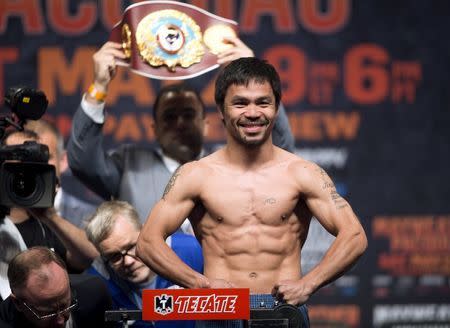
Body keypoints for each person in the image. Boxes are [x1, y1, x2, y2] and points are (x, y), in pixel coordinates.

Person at [135, 58, 368, 327]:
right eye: (241, 103)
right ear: (222, 111)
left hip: (281, 309)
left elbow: (355, 236)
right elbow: (147, 242)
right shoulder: (196, 175)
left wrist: (308, 284)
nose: (253, 112)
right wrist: (200, 284)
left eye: (263, 102)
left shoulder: (302, 173)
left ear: (276, 108)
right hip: (219, 309)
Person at [66, 38, 295, 225]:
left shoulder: (234, 163)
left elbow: (281, 152)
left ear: (206, 124)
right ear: (154, 129)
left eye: (188, 114)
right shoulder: (129, 165)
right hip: (147, 279)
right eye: (169, 117)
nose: (180, 123)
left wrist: (253, 80)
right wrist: (99, 86)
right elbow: (82, 162)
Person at [85, 200, 202, 328]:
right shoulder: (98, 285)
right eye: (114, 256)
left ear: (145, 231)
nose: (128, 261)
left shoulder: (190, 251)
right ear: (103, 258)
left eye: (132, 246)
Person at [1, 130, 98, 273]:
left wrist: (50, 216)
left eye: (29, 158)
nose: (22, 167)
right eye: (14, 155)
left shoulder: (46, 228)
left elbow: (88, 257)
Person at [0, 246, 111, 328]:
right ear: (18, 303)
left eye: (65, 306)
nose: (60, 321)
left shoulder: (94, 291)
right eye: (48, 312)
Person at [25, 119, 101, 228]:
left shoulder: (91, 219)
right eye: (28, 158)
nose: (37, 165)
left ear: (63, 160)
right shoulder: (5, 216)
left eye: (45, 157)